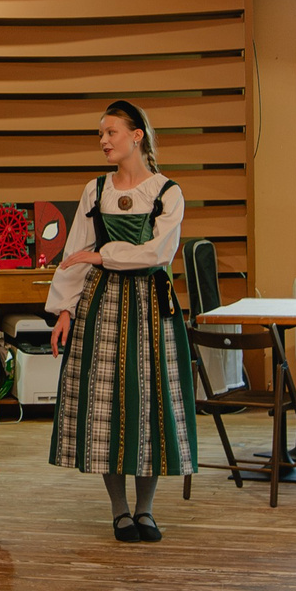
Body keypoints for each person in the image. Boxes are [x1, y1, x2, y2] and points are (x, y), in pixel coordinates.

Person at [46, 98, 196, 542]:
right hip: (102, 307)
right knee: (104, 405)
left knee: (148, 403)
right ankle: (119, 510)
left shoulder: (168, 192)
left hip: (150, 306)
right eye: (100, 134)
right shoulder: (95, 190)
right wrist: (65, 310)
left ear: (137, 135)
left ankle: (146, 509)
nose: (104, 140)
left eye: (111, 132)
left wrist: (103, 254)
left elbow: (157, 253)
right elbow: (75, 252)